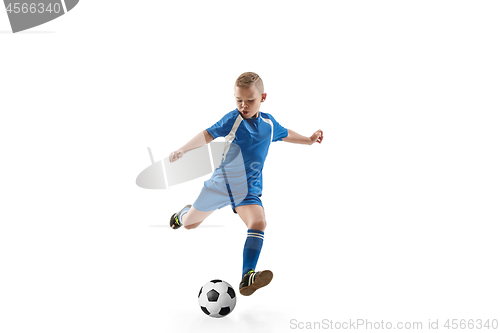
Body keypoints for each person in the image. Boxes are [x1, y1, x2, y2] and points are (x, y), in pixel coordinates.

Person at [168, 72, 323, 296]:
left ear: (263, 97)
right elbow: (208, 134)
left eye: (250, 100)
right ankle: (182, 213)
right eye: (239, 100)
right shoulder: (233, 119)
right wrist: (183, 149)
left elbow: (285, 133)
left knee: (259, 222)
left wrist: (308, 140)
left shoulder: (269, 124)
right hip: (221, 185)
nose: (244, 105)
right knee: (190, 223)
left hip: (248, 190)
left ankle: (247, 275)